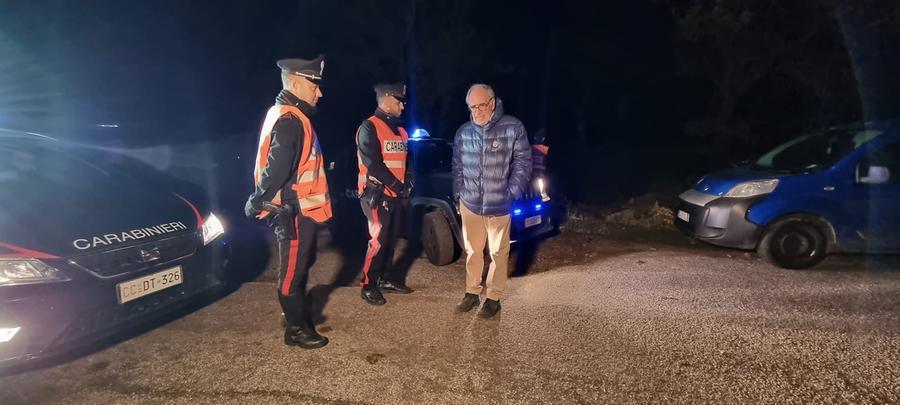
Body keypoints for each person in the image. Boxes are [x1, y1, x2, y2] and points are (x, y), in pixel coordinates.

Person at [245, 55, 333, 349]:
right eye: (314, 85)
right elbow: (278, 166)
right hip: (294, 210)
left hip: (298, 208)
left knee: (299, 267)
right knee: (292, 273)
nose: (319, 92)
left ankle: (298, 322)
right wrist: (257, 200)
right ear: (296, 83)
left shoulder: (285, 114)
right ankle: (296, 330)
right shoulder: (292, 119)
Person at [452, 83, 531, 318]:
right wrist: (460, 193)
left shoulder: (513, 127)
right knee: (473, 251)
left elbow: (524, 163)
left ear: (493, 103)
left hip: (500, 204)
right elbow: (457, 166)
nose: (477, 111)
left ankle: (494, 297)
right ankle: (471, 292)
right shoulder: (463, 132)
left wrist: (512, 193)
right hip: (470, 204)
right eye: (472, 107)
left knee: (498, 253)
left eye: (482, 105)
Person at [355, 82, 414, 305]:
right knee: (378, 240)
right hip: (376, 195)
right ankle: (368, 284)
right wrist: (398, 187)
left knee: (391, 238)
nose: (402, 106)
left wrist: (409, 182)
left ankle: (386, 278)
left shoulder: (401, 130)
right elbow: (374, 164)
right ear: (387, 99)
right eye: (399, 101)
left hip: (395, 195)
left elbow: (408, 161)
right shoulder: (368, 127)